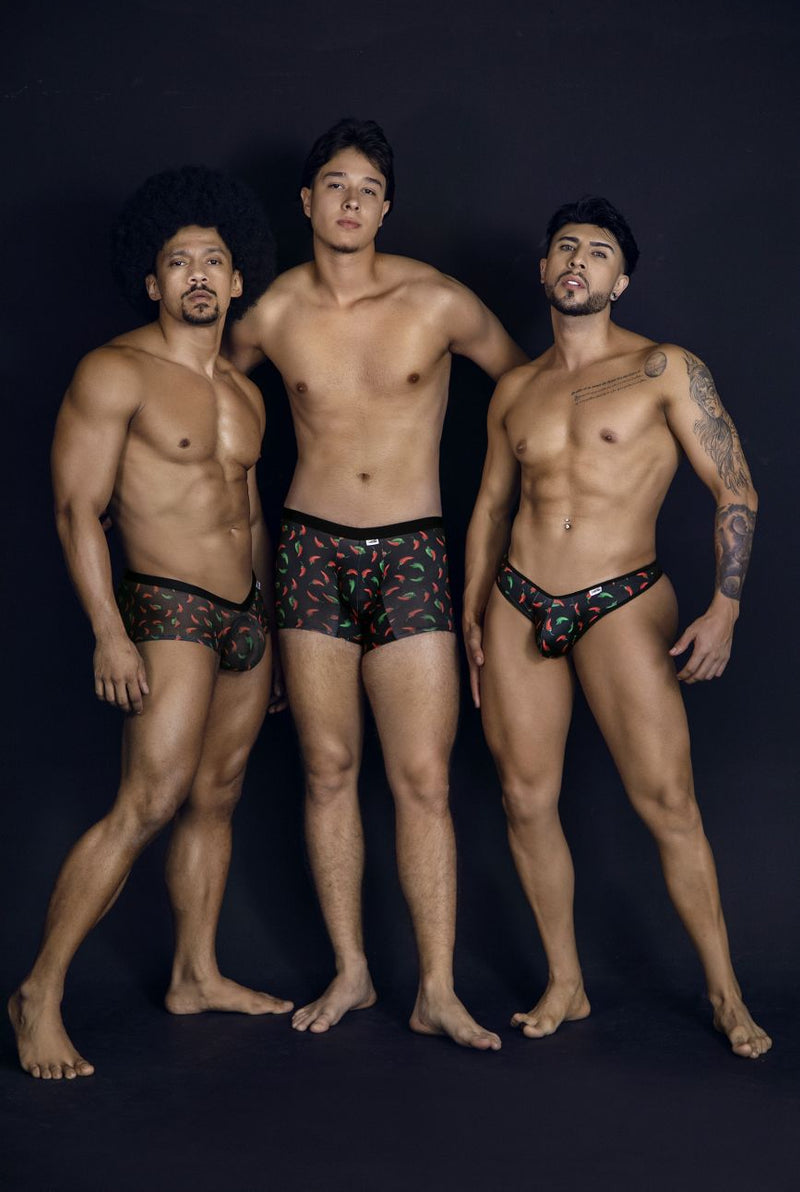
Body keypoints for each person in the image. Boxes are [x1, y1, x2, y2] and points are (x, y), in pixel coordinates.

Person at [231, 119, 527, 1049]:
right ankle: (352, 969)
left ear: (386, 207)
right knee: (327, 769)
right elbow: (197, 396)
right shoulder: (270, 311)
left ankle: (436, 988)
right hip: (309, 552)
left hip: (412, 553)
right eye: (335, 185)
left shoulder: (436, 301)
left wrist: (521, 524)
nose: (351, 202)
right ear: (307, 200)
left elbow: (530, 393)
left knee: (423, 778)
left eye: (367, 189)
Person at [463, 196, 771, 1059]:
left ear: (620, 280)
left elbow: (736, 486)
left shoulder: (664, 368)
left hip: (622, 594)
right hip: (519, 597)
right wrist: (472, 614)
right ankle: (566, 982)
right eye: (566, 247)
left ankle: (727, 994)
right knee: (525, 799)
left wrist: (727, 605)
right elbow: (490, 508)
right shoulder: (515, 390)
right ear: (543, 269)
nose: (578, 261)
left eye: (598, 252)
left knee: (667, 801)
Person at [9, 167, 292, 1080]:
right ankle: (40, 991)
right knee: (149, 800)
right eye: (179, 262)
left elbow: (251, 516)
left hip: (245, 617)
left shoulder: (246, 393)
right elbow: (75, 509)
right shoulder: (116, 370)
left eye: (213, 261)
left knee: (218, 796)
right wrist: (108, 629)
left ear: (238, 280)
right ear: (153, 280)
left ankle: (194, 973)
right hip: (166, 605)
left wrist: (269, 628)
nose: (198, 275)